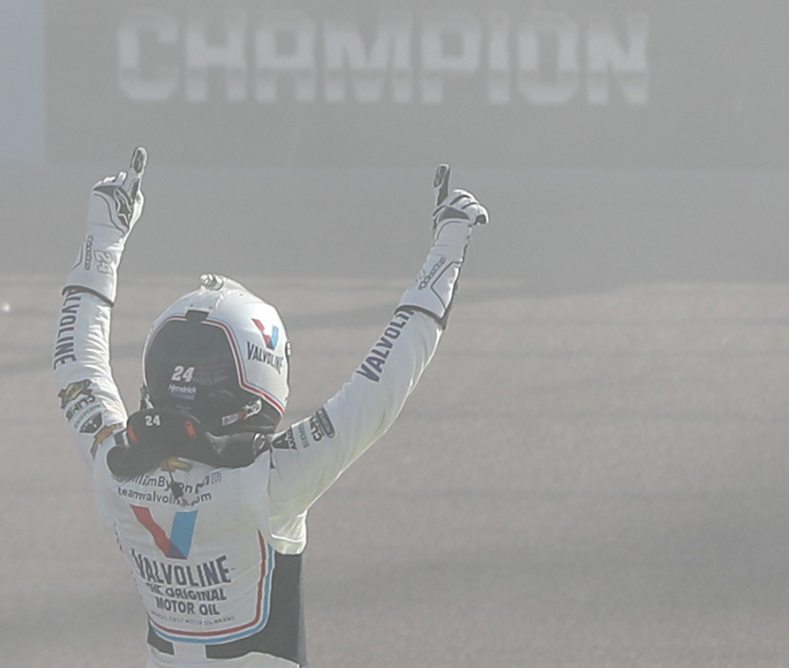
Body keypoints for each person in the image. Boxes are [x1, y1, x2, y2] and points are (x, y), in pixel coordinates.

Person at [53, 147, 489, 667]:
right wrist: (448, 245)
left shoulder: (112, 462)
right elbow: (382, 383)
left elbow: (75, 364)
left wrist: (104, 231)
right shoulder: (267, 480)